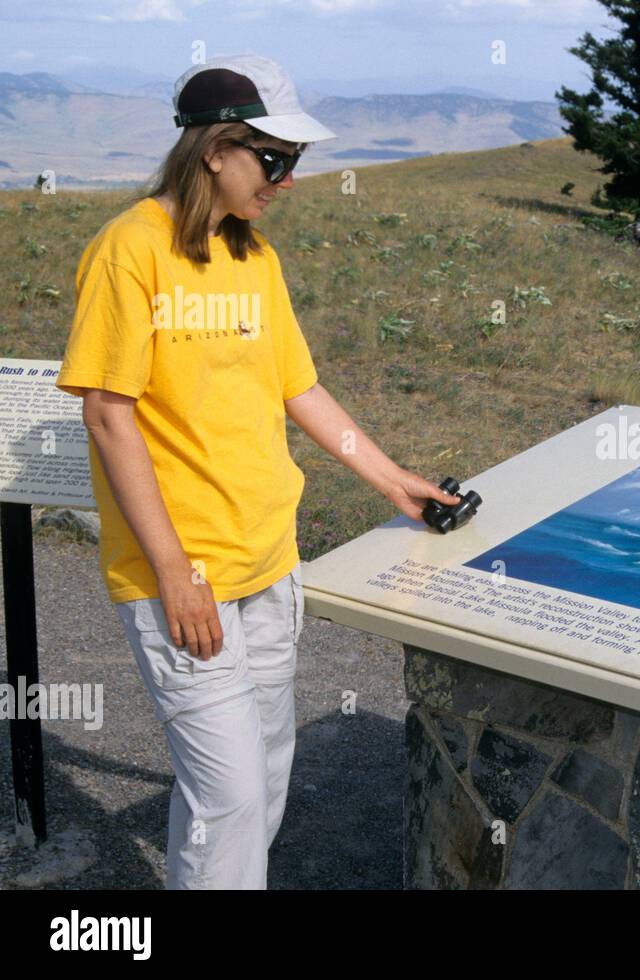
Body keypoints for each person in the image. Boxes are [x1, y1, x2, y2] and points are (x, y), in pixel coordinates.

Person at [55, 54, 460, 889]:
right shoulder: (129, 251)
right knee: (231, 794)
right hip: (181, 570)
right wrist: (173, 571)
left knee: (263, 770)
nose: (286, 180)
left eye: (294, 162)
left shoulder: (254, 259)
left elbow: (297, 388)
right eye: (273, 160)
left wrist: (391, 480)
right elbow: (107, 414)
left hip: (269, 560)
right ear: (215, 150)